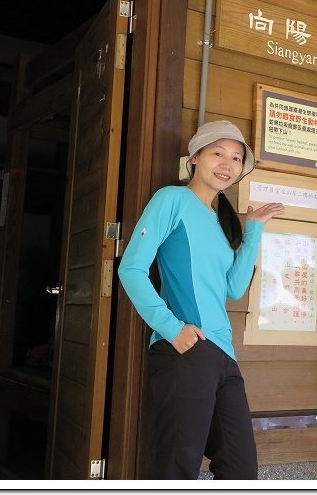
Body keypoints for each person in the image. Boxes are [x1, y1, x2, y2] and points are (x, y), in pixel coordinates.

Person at [118, 120, 284, 480]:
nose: (228, 164)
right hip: (185, 349)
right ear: (195, 157)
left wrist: (254, 229)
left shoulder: (220, 221)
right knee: (178, 467)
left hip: (223, 355)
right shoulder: (172, 199)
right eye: (218, 153)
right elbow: (130, 269)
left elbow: (234, 288)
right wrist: (172, 329)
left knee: (241, 470)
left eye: (237, 158)